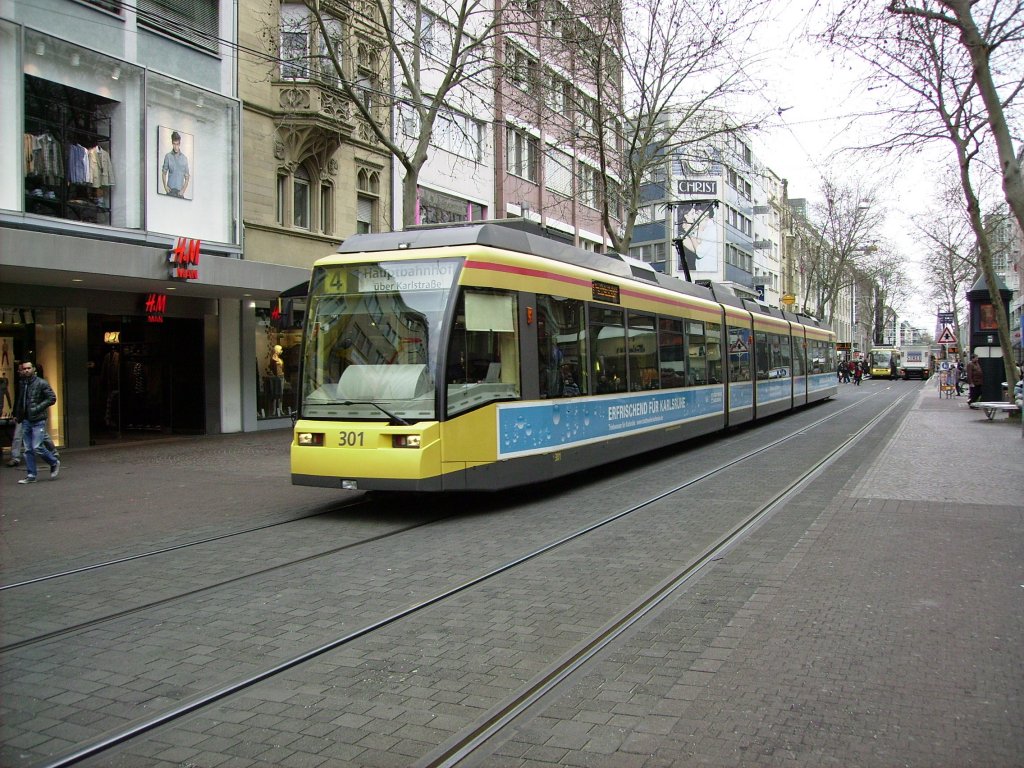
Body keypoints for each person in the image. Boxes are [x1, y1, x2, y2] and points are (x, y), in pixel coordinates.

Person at [13, 361, 59, 483]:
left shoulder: (41, 383)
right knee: (28, 449)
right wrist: (17, 414)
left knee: (37, 446)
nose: (26, 370)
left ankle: (53, 461)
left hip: (38, 419)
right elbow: (20, 400)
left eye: (29, 368)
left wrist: (37, 408)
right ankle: (31, 475)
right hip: (26, 419)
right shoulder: (23, 383)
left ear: (33, 369)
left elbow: (52, 398)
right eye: (24, 369)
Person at [161, 130, 190, 198]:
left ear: (179, 144)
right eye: (174, 144)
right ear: (172, 143)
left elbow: (187, 177)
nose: (175, 146)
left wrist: (183, 190)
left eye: (177, 144)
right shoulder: (168, 156)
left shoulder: (184, 158)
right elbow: (164, 173)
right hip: (170, 191)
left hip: (180, 193)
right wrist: (165, 186)